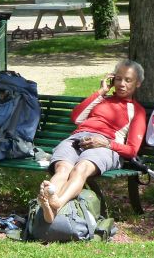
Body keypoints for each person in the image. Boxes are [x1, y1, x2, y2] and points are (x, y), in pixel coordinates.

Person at [38, 59, 147, 223]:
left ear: (137, 83)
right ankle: (49, 201)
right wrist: (102, 91)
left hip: (106, 146)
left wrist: (105, 143)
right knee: (62, 169)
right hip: (77, 138)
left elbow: (132, 150)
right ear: (112, 79)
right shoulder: (102, 100)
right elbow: (76, 117)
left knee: (80, 169)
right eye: (118, 79)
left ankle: (56, 204)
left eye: (128, 80)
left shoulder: (137, 111)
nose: (121, 84)